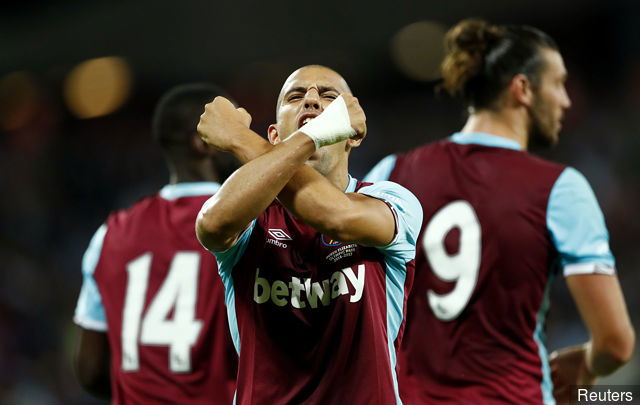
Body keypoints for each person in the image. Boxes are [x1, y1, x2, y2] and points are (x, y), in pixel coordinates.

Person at [365, 19, 635, 405]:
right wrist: (587, 365)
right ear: (522, 89)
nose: (566, 99)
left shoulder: (391, 174)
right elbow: (616, 343)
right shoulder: (560, 188)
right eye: (558, 83)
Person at [195, 65, 422, 404]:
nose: (312, 101)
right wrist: (313, 136)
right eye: (296, 96)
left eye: (328, 96)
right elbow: (212, 226)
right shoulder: (251, 212)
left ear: (354, 134)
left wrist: (240, 139)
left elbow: (335, 216)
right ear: (273, 135)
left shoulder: (394, 201)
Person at [73, 83, 238, 404]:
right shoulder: (250, 225)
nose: (245, 142)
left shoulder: (111, 233)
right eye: (236, 130)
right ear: (203, 143)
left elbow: (91, 369)